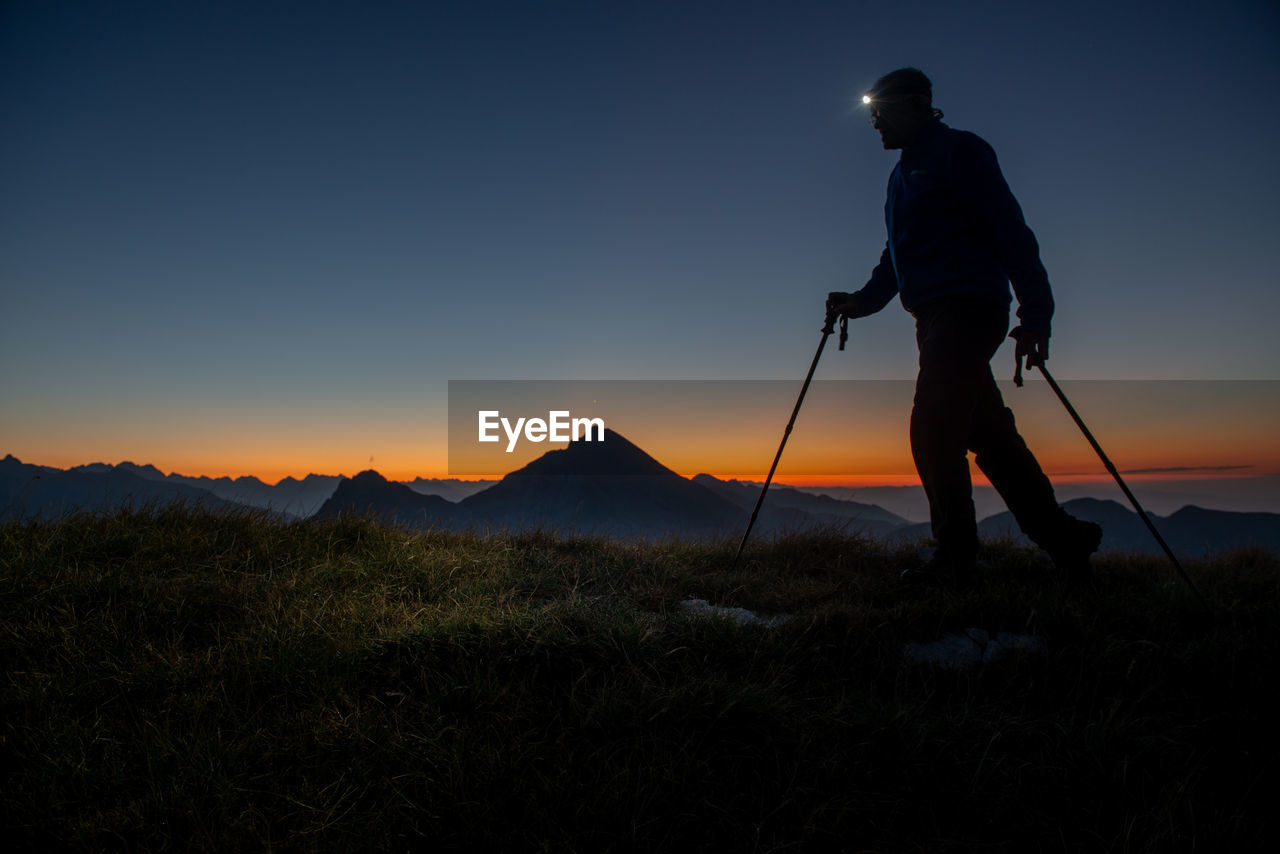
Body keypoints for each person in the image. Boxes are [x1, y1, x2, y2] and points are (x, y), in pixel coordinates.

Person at [827, 67, 1102, 585]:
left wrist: (1035, 314)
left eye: (879, 111)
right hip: (933, 318)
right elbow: (897, 258)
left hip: (967, 310)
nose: (873, 123)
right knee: (989, 435)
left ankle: (956, 561)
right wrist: (858, 303)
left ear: (914, 105)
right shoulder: (901, 175)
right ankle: (1065, 538)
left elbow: (1011, 231)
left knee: (933, 428)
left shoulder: (961, 152)